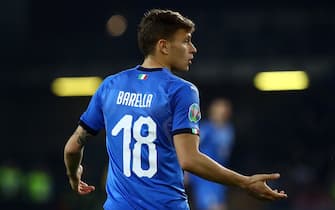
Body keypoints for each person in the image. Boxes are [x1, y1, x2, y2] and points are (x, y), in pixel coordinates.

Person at [63, 9, 287, 210]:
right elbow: (189, 159)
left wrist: (74, 176)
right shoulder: (181, 91)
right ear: (163, 46)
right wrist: (245, 182)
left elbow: (72, 148)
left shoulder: (110, 86)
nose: (193, 48)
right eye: (186, 41)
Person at [188, 98, 235, 210]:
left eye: (225, 110)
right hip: (205, 176)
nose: (222, 113)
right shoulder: (206, 129)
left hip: (220, 176)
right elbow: (191, 147)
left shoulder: (229, 130)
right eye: (219, 109)